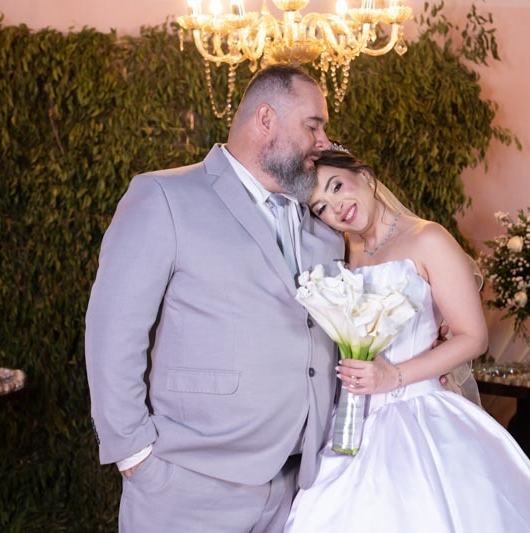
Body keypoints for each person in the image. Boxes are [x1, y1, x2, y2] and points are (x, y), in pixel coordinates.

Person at [84, 65, 345, 532]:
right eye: (313, 126)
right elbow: (113, 330)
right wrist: (133, 452)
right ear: (266, 118)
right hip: (187, 483)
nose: (324, 141)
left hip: (299, 487)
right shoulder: (164, 196)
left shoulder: (323, 223)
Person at [285, 147, 530, 532]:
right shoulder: (342, 252)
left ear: (365, 177)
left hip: (418, 413)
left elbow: (473, 337)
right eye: (321, 207)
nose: (336, 207)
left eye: (337, 187)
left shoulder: (427, 238)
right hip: (352, 422)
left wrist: (394, 376)